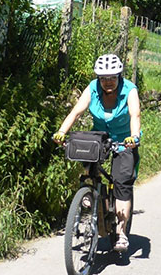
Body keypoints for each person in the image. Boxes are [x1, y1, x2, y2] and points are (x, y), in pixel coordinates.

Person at [53, 53, 141, 252]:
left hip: (125, 141)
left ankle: (121, 232)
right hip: (99, 137)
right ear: (98, 78)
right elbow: (76, 111)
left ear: (119, 76)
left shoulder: (129, 90)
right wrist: (61, 132)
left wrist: (134, 137)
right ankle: (89, 197)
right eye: (103, 78)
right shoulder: (92, 88)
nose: (108, 82)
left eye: (112, 78)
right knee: (88, 167)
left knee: (121, 182)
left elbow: (135, 114)